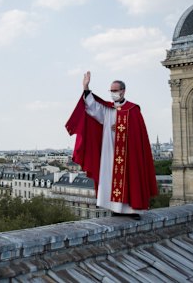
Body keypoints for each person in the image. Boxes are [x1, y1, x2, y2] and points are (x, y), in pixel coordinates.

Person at [65, 71, 158, 218]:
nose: (113, 93)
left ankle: (132, 210)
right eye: (111, 91)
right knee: (111, 178)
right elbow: (92, 108)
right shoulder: (107, 108)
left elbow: (138, 134)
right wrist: (86, 87)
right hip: (111, 151)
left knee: (131, 178)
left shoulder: (133, 110)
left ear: (123, 91)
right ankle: (116, 208)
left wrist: (124, 128)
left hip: (129, 152)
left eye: (115, 90)